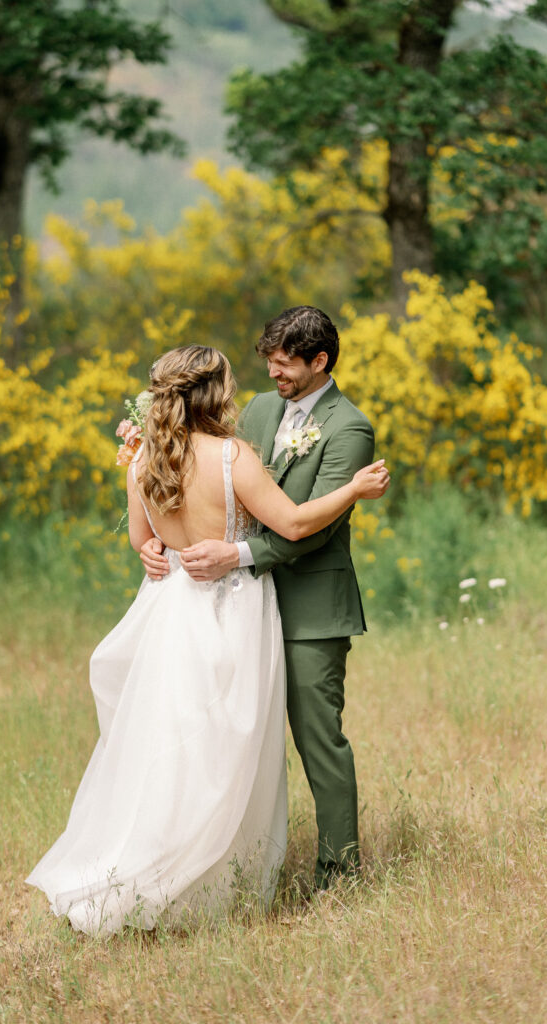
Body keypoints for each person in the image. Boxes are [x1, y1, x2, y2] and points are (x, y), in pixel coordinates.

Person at [27, 345, 389, 933]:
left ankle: (147, 869)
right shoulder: (233, 457)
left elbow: (143, 543)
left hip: (169, 611)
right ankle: (212, 879)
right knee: (228, 746)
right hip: (232, 608)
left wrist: (153, 551)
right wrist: (353, 490)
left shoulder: (141, 457)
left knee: (169, 742)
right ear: (214, 393)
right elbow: (294, 524)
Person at [142, 309, 377, 890]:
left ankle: (339, 873)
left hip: (308, 609)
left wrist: (237, 557)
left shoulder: (349, 429)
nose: (272, 372)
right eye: (268, 359)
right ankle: (226, 865)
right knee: (225, 739)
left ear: (319, 361)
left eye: (284, 362)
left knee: (318, 740)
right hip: (238, 609)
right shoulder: (263, 411)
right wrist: (158, 547)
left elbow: (313, 527)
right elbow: (220, 489)